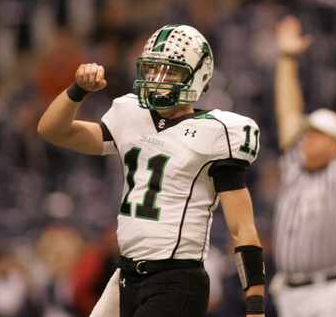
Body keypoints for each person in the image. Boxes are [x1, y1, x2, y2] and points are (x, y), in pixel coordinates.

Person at [37, 24, 265, 317]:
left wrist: (256, 304)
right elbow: (52, 130)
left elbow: (242, 228)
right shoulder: (131, 116)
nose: (157, 80)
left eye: (170, 72)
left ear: (199, 76)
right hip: (126, 276)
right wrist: (77, 90)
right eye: (152, 70)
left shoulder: (218, 133)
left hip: (175, 279)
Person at [270, 15, 336, 317]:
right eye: (307, 133)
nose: (307, 139)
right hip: (289, 293)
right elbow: (288, 112)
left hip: (331, 292)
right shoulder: (295, 167)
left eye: (317, 134)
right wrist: (287, 58)